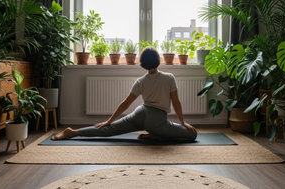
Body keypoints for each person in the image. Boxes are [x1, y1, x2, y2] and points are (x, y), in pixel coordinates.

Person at [51, 46, 197, 142]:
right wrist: (183, 122)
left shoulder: (140, 81)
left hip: (140, 113)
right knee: (192, 135)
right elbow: (176, 102)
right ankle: (158, 134)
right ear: (158, 61)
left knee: (108, 131)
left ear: (143, 63)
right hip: (157, 121)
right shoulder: (169, 77)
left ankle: (73, 132)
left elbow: (125, 103)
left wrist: (109, 121)